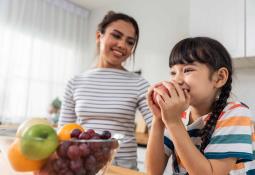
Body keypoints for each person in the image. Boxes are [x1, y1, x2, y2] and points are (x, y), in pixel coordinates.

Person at [146, 37, 255, 175]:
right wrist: (158, 119)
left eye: (187, 70)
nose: (176, 80)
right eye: (173, 72)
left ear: (219, 78)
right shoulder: (177, 115)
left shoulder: (236, 113)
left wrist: (173, 122)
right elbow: (153, 172)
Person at [59, 11, 152, 170]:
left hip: (122, 170)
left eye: (130, 42)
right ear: (99, 36)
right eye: (116, 36)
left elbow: (158, 128)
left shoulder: (139, 84)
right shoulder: (75, 82)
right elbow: (63, 135)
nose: (122, 45)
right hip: (84, 169)